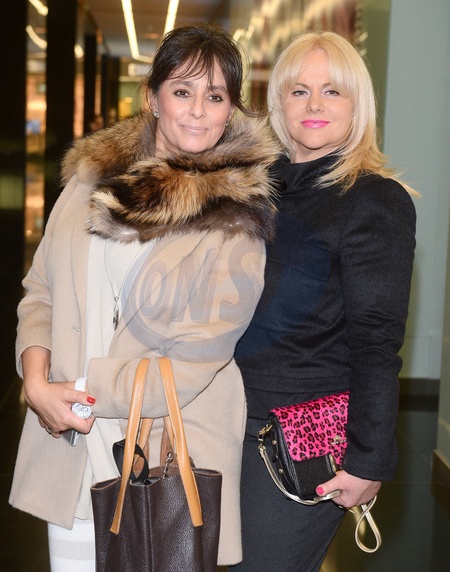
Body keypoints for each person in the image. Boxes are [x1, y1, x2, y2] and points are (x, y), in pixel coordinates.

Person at [9, 23, 280, 570]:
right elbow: (41, 291)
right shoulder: (91, 181)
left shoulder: (236, 221)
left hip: (167, 453)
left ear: (231, 110)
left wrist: (78, 391)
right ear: (153, 98)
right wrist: (36, 384)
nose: (198, 110)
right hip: (71, 447)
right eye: (182, 91)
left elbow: (196, 359)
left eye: (216, 96)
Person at [232, 31, 417, 571]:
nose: (314, 104)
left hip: (294, 440)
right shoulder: (252, 189)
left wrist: (368, 459)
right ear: (278, 102)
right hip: (218, 421)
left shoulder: (374, 200)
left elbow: (377, 341)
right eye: (299, 90)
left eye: (332, 91)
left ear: (358, 106)